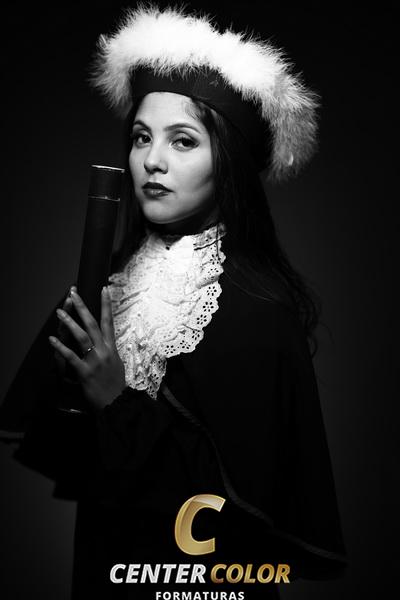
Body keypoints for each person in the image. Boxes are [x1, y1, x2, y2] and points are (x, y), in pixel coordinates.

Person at [0, 4, 347, 599]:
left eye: (182, 141)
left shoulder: (257, 307)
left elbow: (239, 501)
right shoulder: (114, 279)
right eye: (141, 137)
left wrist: (117, 401)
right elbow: (77, 454)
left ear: (228, 162)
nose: (151, 161)